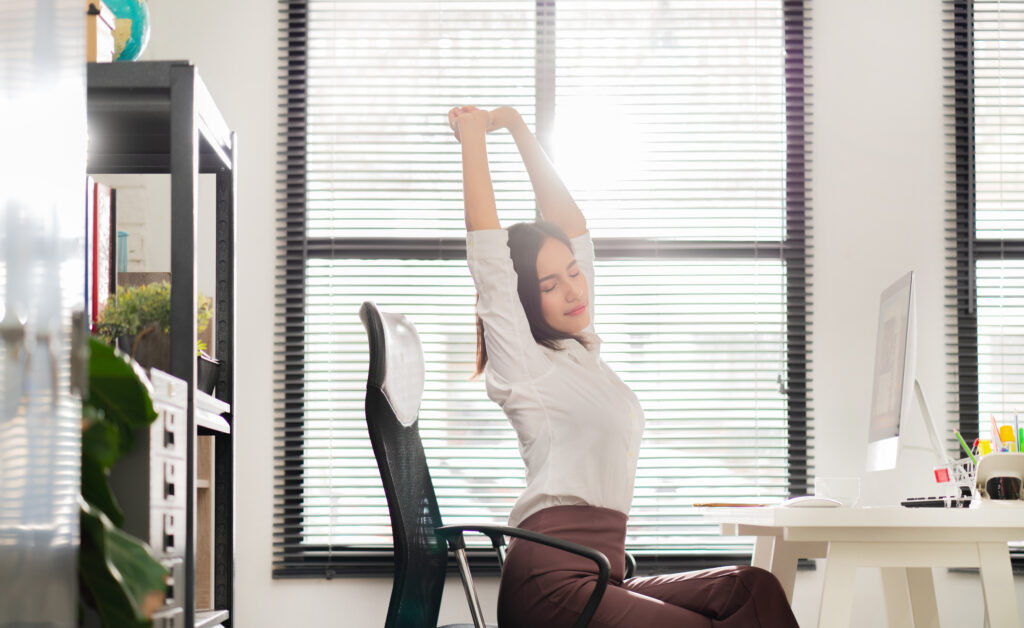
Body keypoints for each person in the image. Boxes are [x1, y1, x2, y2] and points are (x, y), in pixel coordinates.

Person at [448, 104, 799, 628]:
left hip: (599, 576)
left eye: (574, 273)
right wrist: (473, 139)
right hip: (549, 586)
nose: (573, 290)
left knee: (750, 589)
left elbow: (572, 227)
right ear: (523, 302)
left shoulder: (583, 350)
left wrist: (520, 129)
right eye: (550, 285)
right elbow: (490, 260)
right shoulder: (524, 364)